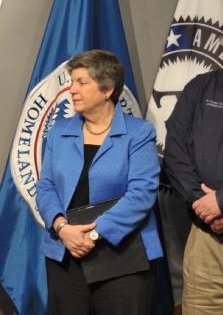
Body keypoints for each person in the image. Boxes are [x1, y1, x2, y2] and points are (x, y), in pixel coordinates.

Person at [36, 50, 163, 315]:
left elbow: (141, 194)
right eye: (72, 82)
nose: (72, 90)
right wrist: (62, 228)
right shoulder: (60, 130)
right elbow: (46, 187)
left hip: (122, 257)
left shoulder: (139, 133)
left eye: (82, 82)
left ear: (107, 89)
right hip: (66, 254)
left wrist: (93, 234)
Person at [164, 69, 223, 315]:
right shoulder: (202, 86)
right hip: (207, 236)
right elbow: (175, 151)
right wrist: (203, 205)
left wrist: (220, 202)